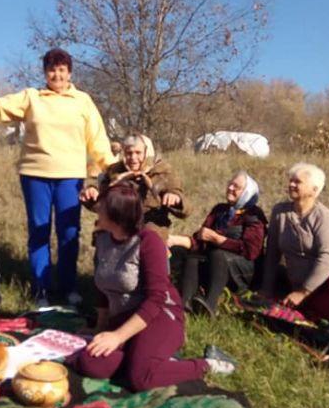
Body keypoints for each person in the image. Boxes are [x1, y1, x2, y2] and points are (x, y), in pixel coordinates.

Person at [0, 49, 114, 308]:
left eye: (62, 69)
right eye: (52, 69)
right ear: (45, 73)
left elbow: (98, 139)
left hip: (70, 177)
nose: (57, 74)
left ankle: (69, 287)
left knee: (69, 234)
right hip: (35, 175)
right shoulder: (32, 97)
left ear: (70, 73)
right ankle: (41, 289)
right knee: (39, 231)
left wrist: (114, 169)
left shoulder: (82, 101)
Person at [72, 183, 237, 391]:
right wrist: (101, 327)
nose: (97, 209)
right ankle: (148, 360)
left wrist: (117, 337)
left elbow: (156, 299)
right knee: (90, 362)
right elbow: (103, 287)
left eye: (102, 206)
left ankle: (206, 364)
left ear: (115, 214)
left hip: (159, 317)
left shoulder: (149, 242)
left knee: (140, 379)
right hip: (123, 319)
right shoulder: (103, 239)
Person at [261, 162, 329, 322]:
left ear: (314, 190)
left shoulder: (323, 217)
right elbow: (272, 253)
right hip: (308, 286)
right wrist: (266, 290)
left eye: (297, 182)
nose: (291, 185)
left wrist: (303, 292)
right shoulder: (280, 212)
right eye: (291, 180)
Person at [169, 171, 267, 317]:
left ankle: (210, 304)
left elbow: (251, 251)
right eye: (230, 184)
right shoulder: (220, 210)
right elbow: (201, 239)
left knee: (217, 253)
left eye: (237, 187)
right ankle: (185, 304)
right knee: (192, 257)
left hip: (245, 270)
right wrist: (177, 240)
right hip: (217, 266)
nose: (231, 188)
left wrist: (218, 240)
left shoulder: (254, 215)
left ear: (247, 193)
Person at [80, 133, 189, 241]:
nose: (133, 157)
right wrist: (92, 194)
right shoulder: (114, 171)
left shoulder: (162, 172)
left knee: (149, 235)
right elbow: (103, 203)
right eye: (129, 153)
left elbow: (186, 209)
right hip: (119, 230)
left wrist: (175, 198)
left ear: (147, 153)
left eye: (138, 153)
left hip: (151, 232)